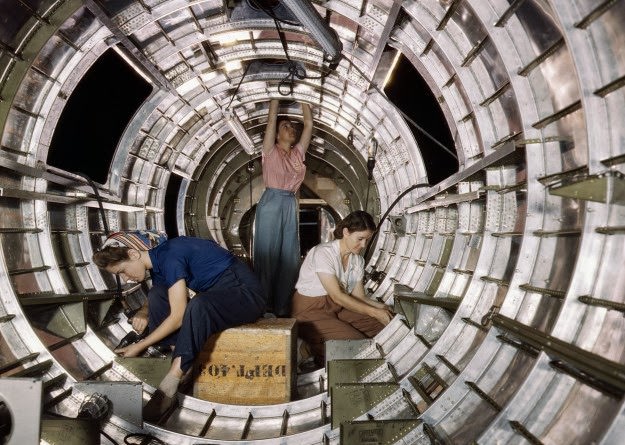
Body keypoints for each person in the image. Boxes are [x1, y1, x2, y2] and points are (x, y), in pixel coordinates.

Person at [92, 231, 265, 422]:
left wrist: (140, 346)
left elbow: (178, 317)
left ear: (133, 254)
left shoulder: (171, 255)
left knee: (199, 304)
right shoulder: (158, 263)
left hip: (245, 295)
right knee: (157, 294)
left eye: (122, 271)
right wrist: (143, 311)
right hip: (217, 297)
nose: (125, 279)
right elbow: (164, 295)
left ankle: (172, 381)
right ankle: (181, 361)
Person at [290, 211, 394, 367]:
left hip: (337, 308)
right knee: (355, 344)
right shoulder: (323, 253)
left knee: (382, 326)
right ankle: (306, 349)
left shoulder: (357, 260)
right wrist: (375, 312)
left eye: (367, 239)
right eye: (360, 239)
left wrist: (385, 308)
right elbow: (337, 295)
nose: (364, 245)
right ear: (346, 232)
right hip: (310, 310)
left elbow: (359, 297)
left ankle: (317, 343)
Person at [253, 99, 313, 317]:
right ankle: (262, 305)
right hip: (271, 202)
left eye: (291, 126)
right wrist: (276, 98)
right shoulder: (270, 150)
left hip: (289, 203)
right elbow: (271, 120)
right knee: (267, 255)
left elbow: (308, 124)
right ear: (277, 135)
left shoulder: (298, 154)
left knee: (289, 256)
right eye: (285, 126)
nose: (291, 129)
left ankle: (282, 306)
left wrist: (305, 98)